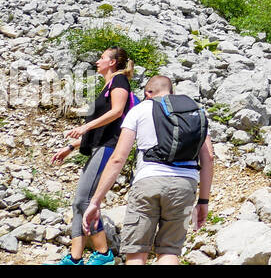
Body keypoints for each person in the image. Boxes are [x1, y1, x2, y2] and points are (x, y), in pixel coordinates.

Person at [82, 75, 214, 265]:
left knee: (136, 253)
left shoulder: (140, 109)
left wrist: (96, 201)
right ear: (171, 92)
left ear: (147, 93)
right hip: (185, 187)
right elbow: (208, 158)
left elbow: (118, 158)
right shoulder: (196, 111)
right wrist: (203, 200)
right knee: (169, 252)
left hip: (147, 182)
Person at [50, 46, 134, 265]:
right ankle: (75, 259)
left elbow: (117, 112)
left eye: (102, 57)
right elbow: (101, 129)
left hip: (108, 148)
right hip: (99, 146)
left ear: (113, 62)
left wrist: (85, 128)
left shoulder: (119, 82)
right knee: (79, 203)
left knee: (83, 201)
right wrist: (70, 147)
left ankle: (103, 254)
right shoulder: (107, 85)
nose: (98, 61)